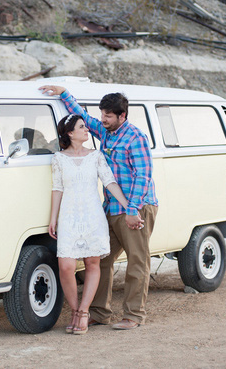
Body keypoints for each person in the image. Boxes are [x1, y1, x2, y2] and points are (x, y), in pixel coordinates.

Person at [40, 84, 158, 331]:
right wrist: (64, 94)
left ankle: (133, 315)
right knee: (102, 260)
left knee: (137, 260)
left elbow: (143, 175)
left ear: (122, 116)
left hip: (136, 207)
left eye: (108, 116)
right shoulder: (106, 132)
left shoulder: (135, 137)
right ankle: (99, 312)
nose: (101, 120)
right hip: (111, 208)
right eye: (102, 114)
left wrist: (132, 209)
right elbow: (83, 119)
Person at [49, 114, 129, 335]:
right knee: (66, 267)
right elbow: (57, 188)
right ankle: (75, 310)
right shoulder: (59, 158)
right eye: (82, 127)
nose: (87, 130)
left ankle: (83, 313)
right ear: (70, 133)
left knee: (93, 263)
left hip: (92, 216)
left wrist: (128, 206)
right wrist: (53, 218)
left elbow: (109, 181)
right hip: (69, 217)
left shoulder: (96, 156)